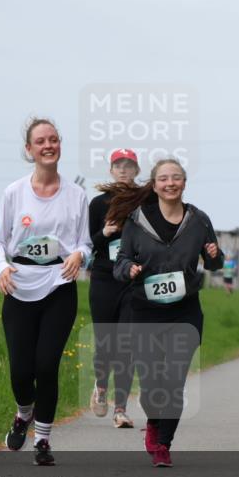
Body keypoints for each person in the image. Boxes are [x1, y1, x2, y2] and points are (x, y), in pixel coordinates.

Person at [0, 117, 92, 466]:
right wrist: (1, 267)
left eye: (54, 139)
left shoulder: (77, 195)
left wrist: (80, 254)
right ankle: (23, 413)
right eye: (41, 141)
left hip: (59, 286)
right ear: (29, 150)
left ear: (59, 145)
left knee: (46, 366)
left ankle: (43, 441)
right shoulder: (14, 193)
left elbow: (85, 243)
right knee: (21, 370)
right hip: (19, 286)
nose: (49, 146)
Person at [111, 159, 224, 467]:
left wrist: (214, 256)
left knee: (173, 381)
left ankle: (163, 443)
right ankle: (154, 421)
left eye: (176, 178)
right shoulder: (137, 220)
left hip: (184, 312)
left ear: (184, 183)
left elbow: (215, 263)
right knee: (149, 386)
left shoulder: (199, 220)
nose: (170, 183)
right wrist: (129, 269)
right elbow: (120, 261)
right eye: (164, 178)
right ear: (155, 184)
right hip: (145, 311)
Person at [87, 148, 139, 428]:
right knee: (106, 342)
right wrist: (104, 234)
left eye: (128, 165)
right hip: (104, 277)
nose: (123, 170)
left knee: (126, 345)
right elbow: (84, 244)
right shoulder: (98, 204)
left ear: (136, 171)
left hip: (131, 280)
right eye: (118, 165)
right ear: (110, 170)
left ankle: (120, 409)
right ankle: (101, 385)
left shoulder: (145, 202)